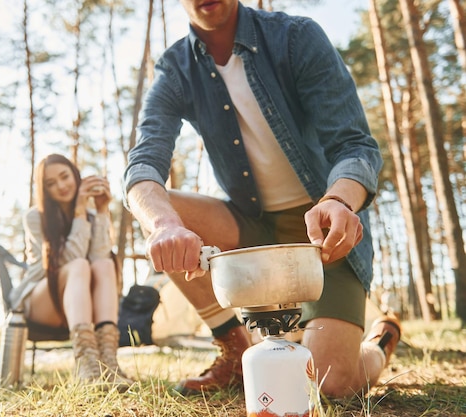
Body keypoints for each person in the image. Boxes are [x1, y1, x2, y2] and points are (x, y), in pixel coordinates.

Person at [123, 0, 400, 399]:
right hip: (251, 227)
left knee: (330, 385)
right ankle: (236, 350)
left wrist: (340, 200)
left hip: (323, 233)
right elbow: (143, 166)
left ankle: (377, 345)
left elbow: (354, 145)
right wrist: (165, 225)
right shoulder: (175, 69)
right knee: (155, 206)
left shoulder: (296, 37)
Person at [9, 153, 132, 388]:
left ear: (76, 176)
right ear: (44, 190)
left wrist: (102, 210)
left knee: (105, 264)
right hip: (41, 302)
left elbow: (100, 257)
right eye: (51, 184)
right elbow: (70, 262)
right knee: (78, 265)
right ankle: (85, 365)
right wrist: (79, 211)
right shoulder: (36, 217)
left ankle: (108, 364)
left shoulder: (94, 215)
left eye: (65, 177)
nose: (61, 186)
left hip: (79, 306)